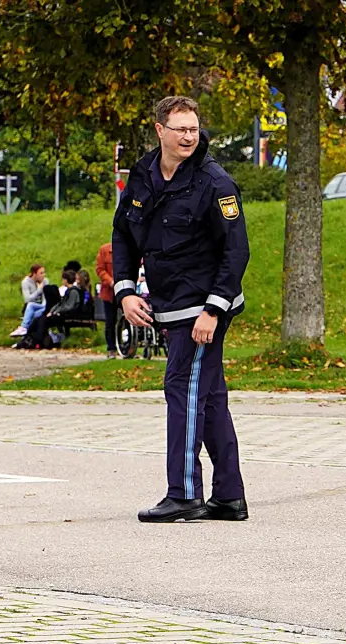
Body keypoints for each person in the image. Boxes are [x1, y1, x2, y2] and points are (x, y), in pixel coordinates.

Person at [112, 95, 250, 524]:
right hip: (170, 304)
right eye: (180, 129)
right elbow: (123, 235)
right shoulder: (142, 175)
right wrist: (125, 290)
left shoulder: (215, 182)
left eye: (194, 128)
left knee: (183, 389)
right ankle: (228, 498)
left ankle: (184, 493)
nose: (190, 136)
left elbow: (236, 250)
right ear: (160, 130)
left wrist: (213, 310)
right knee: (208, 399)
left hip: (204, 308)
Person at [11, 264, 46, 338]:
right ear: (34, 274)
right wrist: (39, 290)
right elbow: (27, 299)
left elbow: (46, 298)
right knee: (31, 309)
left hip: (43, 306)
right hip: (30, 307)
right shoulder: (26, 282)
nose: (43, 275)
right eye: (41, 273)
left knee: (33, 315)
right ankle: (25, 338)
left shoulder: (45, 281)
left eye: (44, 273)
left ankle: (23, 333)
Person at [96, 243, 117, 358]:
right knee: (110, 321)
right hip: (109, 292)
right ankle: (111, 348)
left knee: (129, 318)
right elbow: (100, 269)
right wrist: (110, 281)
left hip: (124, 289)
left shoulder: (129, 248)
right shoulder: (104, 250)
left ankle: (128, 346)